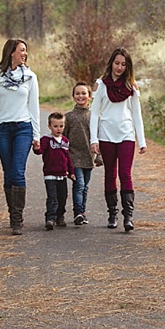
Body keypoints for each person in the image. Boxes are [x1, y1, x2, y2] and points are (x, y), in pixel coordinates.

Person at [90, 48, 147, 232]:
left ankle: (128, 216)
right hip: (106, 134)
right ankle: (112, 213)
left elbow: (137, 115)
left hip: (126, 134)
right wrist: (94, 139)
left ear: (127, 66)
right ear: (111, 63)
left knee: (125, 173)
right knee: (110, 173)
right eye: (117, 63)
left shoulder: (131, 87)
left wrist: (142, 140)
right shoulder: (102, 85)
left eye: (123, 64)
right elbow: (94, 113)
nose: (119, 67)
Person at [0, 38, 41, 235]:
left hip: (23, 128)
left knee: (18, 171)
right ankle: (12, 210)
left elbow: (34, 108)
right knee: (8, 172)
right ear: (11, 52)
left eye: (26, 51)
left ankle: (17, 218)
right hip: (2, 129)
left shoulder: (29, 77)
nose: (24, 54)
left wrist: (36, 135)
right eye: (21, 50)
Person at [64, 82, 103, 226]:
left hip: (89, 157)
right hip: (74, 156)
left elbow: (99, 137)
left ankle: (82, 213)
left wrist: (99, 156)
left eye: (83, 93)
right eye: (77, 93)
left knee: (85, 186)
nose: (80, 96)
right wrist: (65, 160)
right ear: (73, 96)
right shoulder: (68, 117)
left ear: (90, 96)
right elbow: (64, 139)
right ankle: (78, 212)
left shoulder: (94, 116)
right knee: (79, 184)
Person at [34, 112, 75, 230]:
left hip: (62, 175)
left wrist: (71, 172)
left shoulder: (65, 141)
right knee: (52, 198)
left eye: (61, 126)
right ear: (49, 126)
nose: (58, 129)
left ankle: (60, 216)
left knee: (62, 197)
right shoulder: (46, 139)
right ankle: (50, 218)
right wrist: (36, 148)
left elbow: (68, 158)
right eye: (55, 126)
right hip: (50, 175)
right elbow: (40, 151)